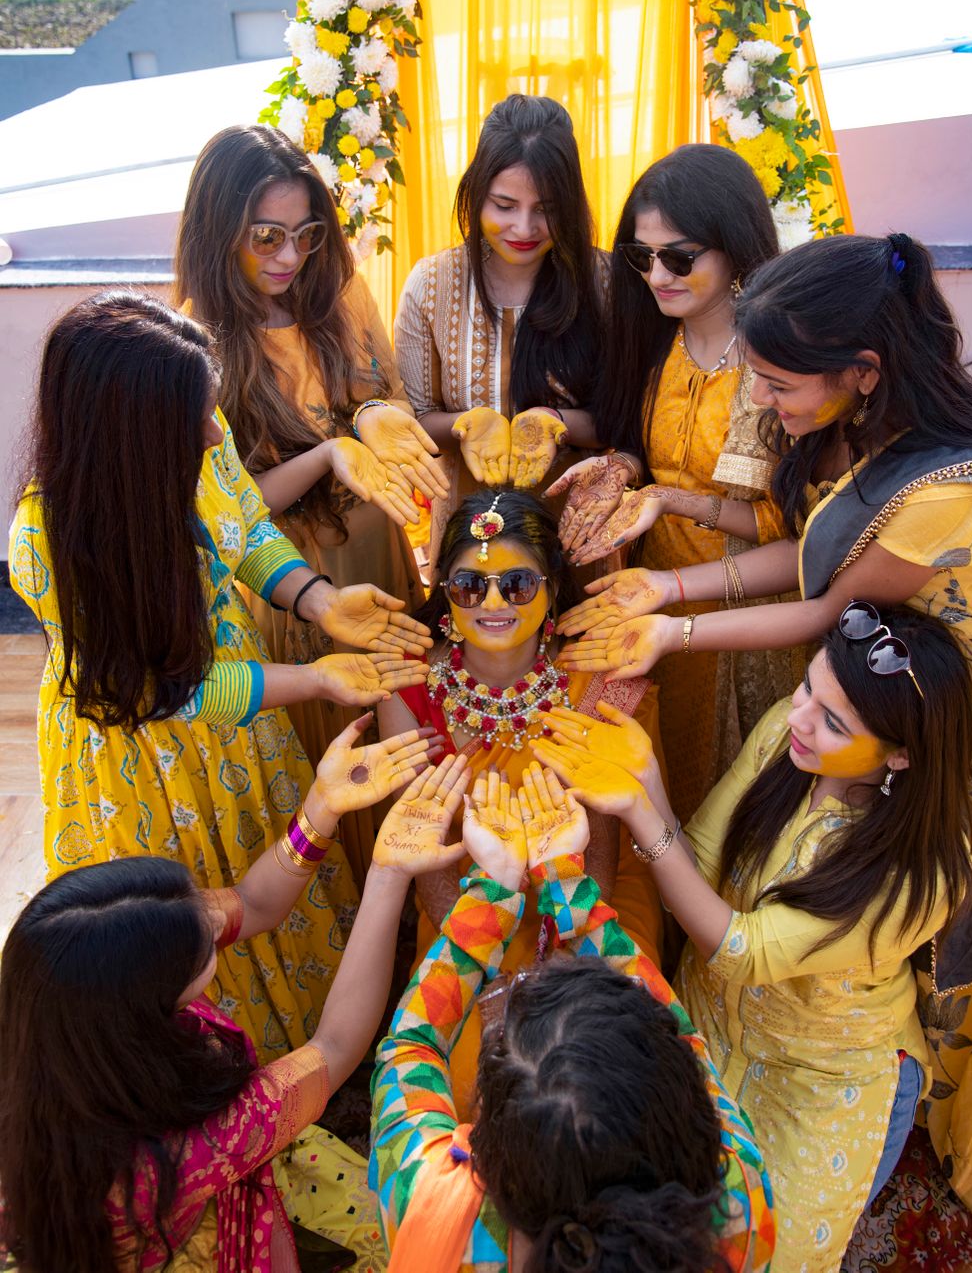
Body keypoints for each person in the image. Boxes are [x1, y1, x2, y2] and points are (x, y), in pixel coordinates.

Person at [559, 232, 972, 1214]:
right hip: (878, 692)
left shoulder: (941, 491)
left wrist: (666, 630)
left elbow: (823, 609)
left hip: (954, 723)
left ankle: (941, 1113)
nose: (761, 401)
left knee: (954, 910)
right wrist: (663, 586)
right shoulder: (860, 431)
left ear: (862, 371)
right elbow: (807, 553)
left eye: (776, 383)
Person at [9, 291, 430, 1056]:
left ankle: (315, 1051)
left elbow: (245, 530)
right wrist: (318, 680)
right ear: (127, 439)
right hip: (144, 761)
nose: (214, 433)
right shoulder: (47, 538)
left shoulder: (197, 434)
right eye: (197, 423)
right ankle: (232, 1082)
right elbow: (171, 695)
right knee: (186, 927)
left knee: (270, 886)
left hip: (238, 718)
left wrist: (320, 600)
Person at [538, 605, 972, 1272]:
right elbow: (703, 857)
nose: (799, 717)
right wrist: (643, 774)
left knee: (764, 1254)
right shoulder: (784, 735)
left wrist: (636, 809)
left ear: (901, 754)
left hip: (822, 1074)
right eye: (807, 689)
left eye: (832, 721)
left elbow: (744, 951)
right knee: (640, 1216)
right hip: (706, 1020)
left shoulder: (917, 877)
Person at [0, 722, 470, 1273]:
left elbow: (253, 899)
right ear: (153, 1015)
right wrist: (389, 875)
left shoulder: (68, 995)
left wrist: (323, 804)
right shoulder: (186, 1148)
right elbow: (336, 1046)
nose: (215, 919)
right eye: (205, 945)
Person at [370, 763, 776, 1272]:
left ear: (488, 1142)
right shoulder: (738, 1213)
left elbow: (410, 1045)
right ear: (681, 1115)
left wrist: (494, 890)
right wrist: (565, 882)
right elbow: (684, 1039)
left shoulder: (431, 1208)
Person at [176, 124, 448, 883]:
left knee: (403, 734)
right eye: (266, 238)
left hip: (375, 551)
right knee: (331, 754)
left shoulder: (337, 299)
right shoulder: (199, 342)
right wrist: (327, 456)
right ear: (218, 230)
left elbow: (376, 398)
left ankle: (416, 901)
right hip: (288, 580)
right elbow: (226, 508)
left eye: (305, 235)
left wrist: (365, 423)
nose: (289, 259)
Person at [377, 488, 664, 1117]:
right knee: (464, 1085)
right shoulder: (409, 682)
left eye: (517, 584)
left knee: (601, 1066)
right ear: (446, 594)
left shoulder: (592, 676)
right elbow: (422, 844)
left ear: (553, 590)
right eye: (469, 586)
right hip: (467, 895)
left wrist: (568, 958)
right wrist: (490, 974)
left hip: (590, 895)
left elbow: (607, 832)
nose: (495, 604)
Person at [546, 144, 792, 821]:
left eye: (679, 258)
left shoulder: (780, 360)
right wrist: (622, 469)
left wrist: (668, 500)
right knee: (667, 793)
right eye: (641, 257)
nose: (656, 275)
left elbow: (796, 527)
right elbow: (644, 447)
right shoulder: (655, 340)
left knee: (743, 806)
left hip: (753, 614)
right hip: (652, 602)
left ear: (734, 247)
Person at [393, 94, 607, 566]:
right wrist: (467, 427)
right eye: (505, 205)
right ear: (475, 192)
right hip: (468, 534)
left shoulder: (602, 282)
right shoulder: (432, 285)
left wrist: (554, 424)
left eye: (545, 208)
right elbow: (415, 417)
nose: (523, 227)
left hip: (574, 530)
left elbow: (623, 419)